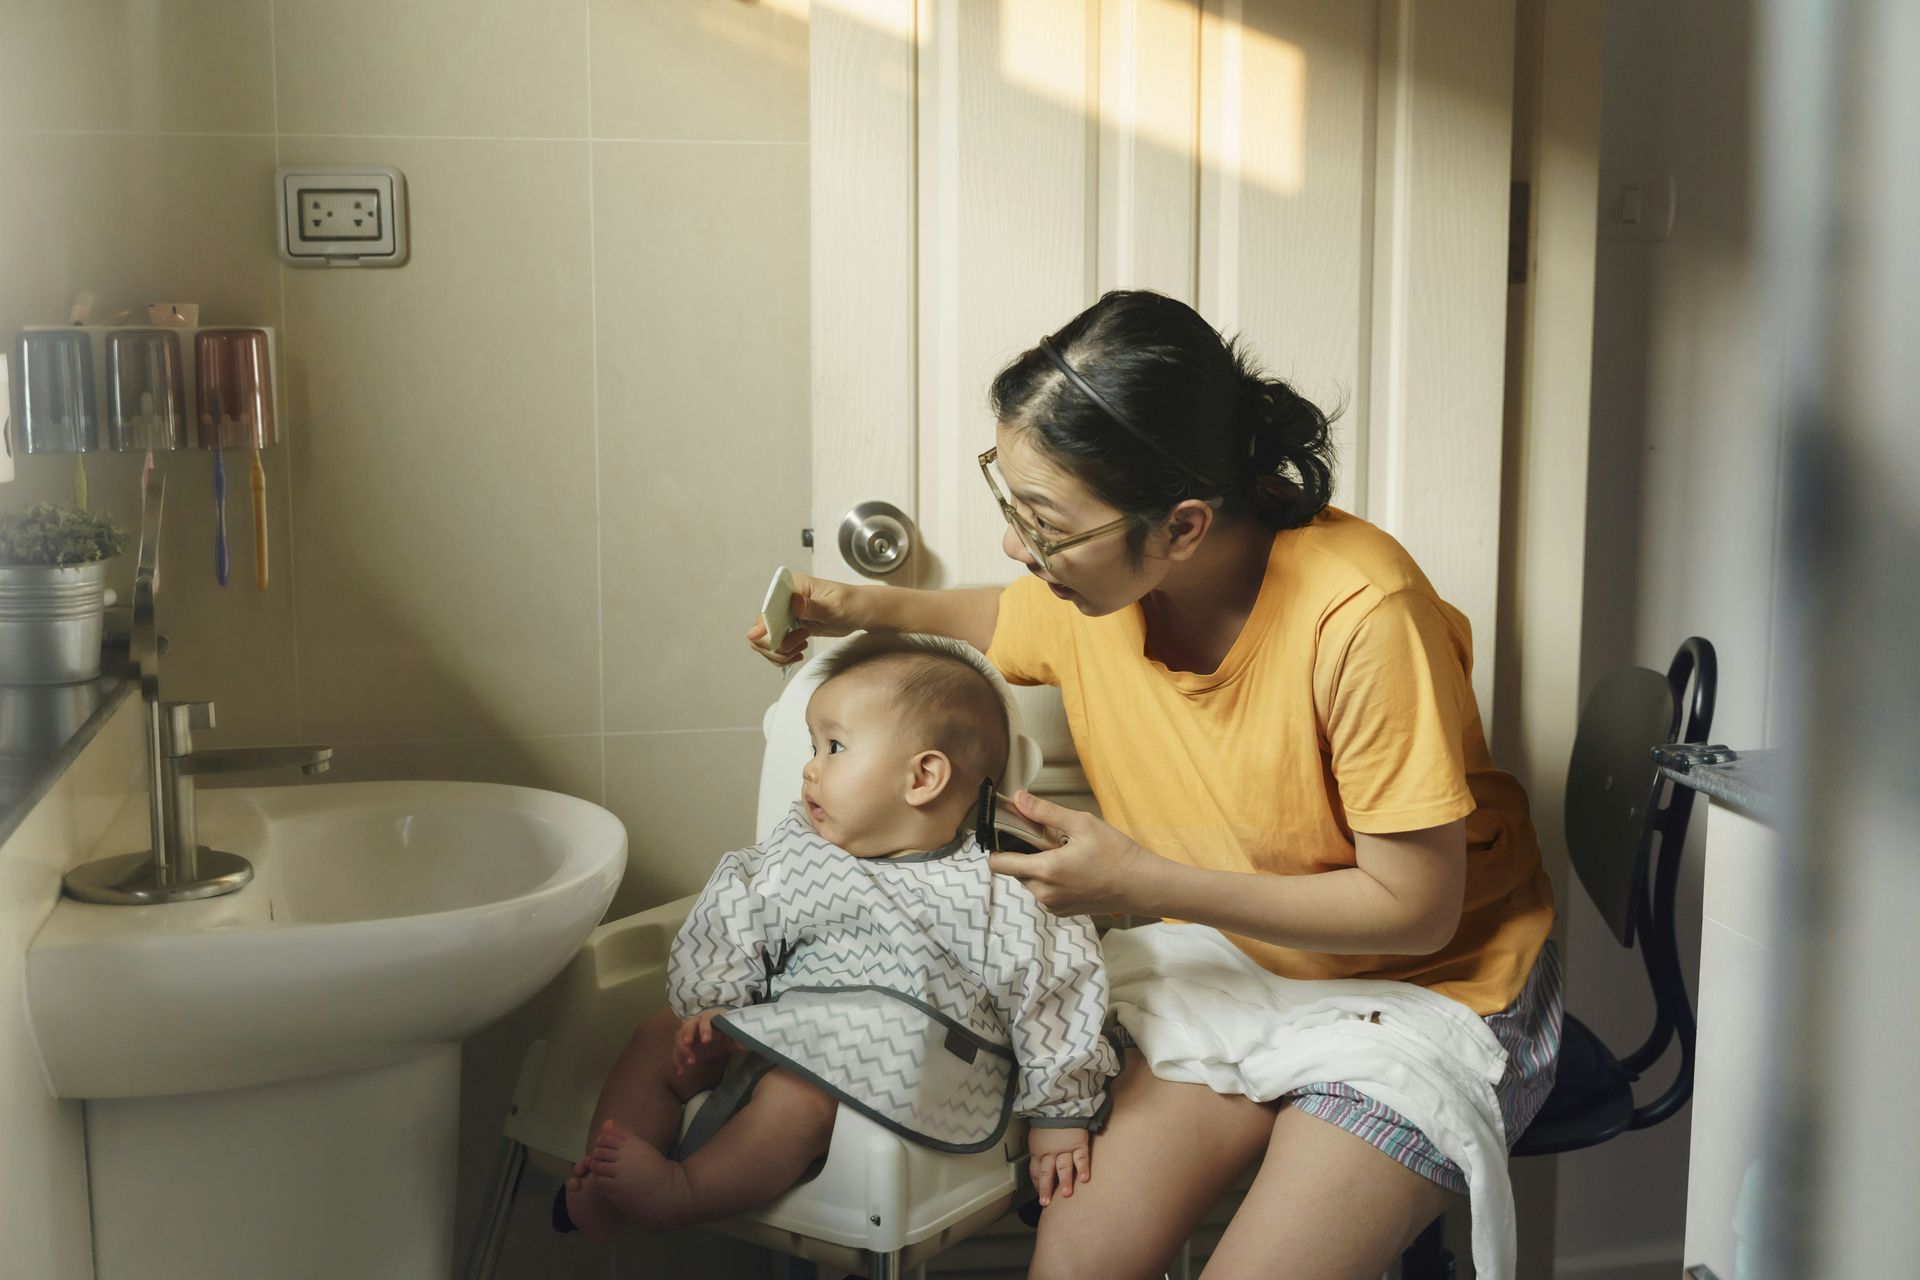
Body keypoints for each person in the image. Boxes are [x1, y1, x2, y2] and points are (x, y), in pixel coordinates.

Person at [747, 290, 1561, 1279]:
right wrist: (855, 603)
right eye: (1012, 504)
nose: (1017, 545)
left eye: (1042, 523)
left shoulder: (1363, 616)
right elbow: (1000, 617)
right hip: (1240, 964)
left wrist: (1143, 883)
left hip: (1432, 990)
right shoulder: (1095, 592)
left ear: (1181, 525)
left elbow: (1418, 908)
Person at [561, 632, 1119, 1244]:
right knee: (656, 1036)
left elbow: (1055, 983)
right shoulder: (801, 849)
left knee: (796, 1095)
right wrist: (715, 1005)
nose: (809, 768)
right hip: (778, 1024)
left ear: (923, 776)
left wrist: (1059, 1111)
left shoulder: (991, 882)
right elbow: (734, 913)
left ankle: (682, 1192)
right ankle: (606, 1183)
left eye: (834, 746)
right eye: (812, 745)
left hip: (903, 1058)